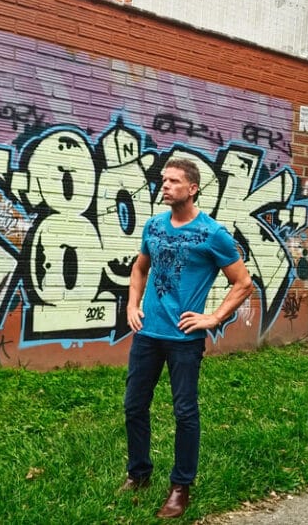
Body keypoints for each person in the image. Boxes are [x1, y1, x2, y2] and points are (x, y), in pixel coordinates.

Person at [121, 157, 253, 519]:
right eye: (163, 180)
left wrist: (212, 318)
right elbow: (139, 268)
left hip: (183, 338)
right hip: (147, 334)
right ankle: (139, 473)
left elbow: (243, 283)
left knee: (184, 412)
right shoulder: (153, 225)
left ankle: (180, 486)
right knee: (134, 406)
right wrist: (132, 306)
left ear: (192, 188)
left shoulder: (213, 234)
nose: (164, 185)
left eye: (174, 181)